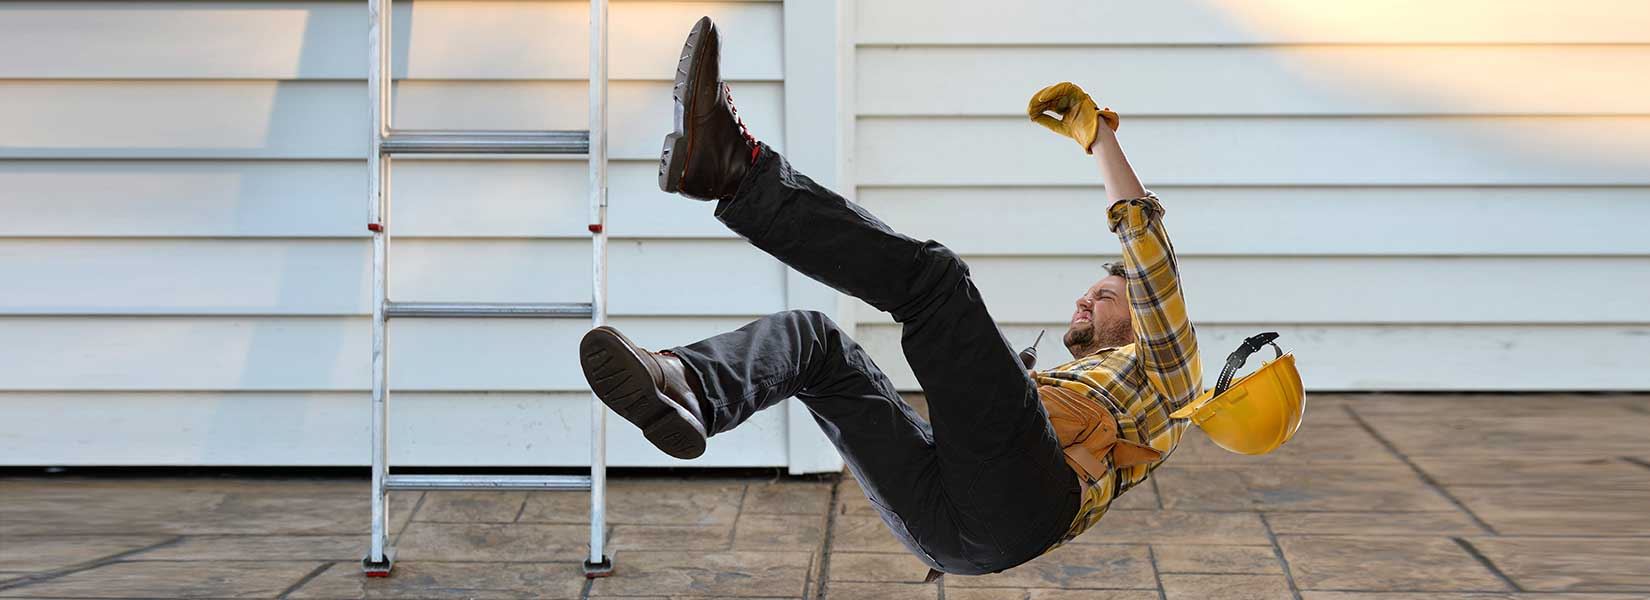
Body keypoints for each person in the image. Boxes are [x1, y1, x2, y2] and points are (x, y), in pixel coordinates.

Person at [578, 16, 1204, 578]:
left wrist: (1100, 139)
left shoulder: (1171, 375)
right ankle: (689, 386)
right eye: (1089, 293)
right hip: (955, 537)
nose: (1084, 303)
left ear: (1143, 316)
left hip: (1028, 503)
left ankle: (733, 170)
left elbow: (1150, 257)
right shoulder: (1082, 385)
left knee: (938, 284)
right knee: (814, 344)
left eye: (1103, 295)